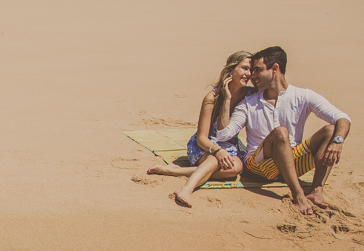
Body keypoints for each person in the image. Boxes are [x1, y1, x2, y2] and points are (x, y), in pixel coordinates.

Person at [213, 46, 351, 215]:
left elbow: (342, 118)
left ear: (275, 68)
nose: (252, 76)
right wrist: (227, 100)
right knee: (280, 133)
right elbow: (224, 134)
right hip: (258, 166)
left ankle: (316, 192)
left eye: (258, 70)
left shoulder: (303, 96)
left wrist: (338, 141)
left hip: (291, 164)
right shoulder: (249, 102)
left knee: (331, 131)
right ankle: (298, 194)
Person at [147, 51, 253, 207]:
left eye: (251, 70)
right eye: (244, 68)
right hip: (205, 145)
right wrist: (218, 150)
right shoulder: (213, 97)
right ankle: (186, 189)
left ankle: (174, 171)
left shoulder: (250, 94)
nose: (248, 74)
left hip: (231, 145)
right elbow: (202, 137)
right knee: (215, 160)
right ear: (231, 70)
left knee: (235, 168)